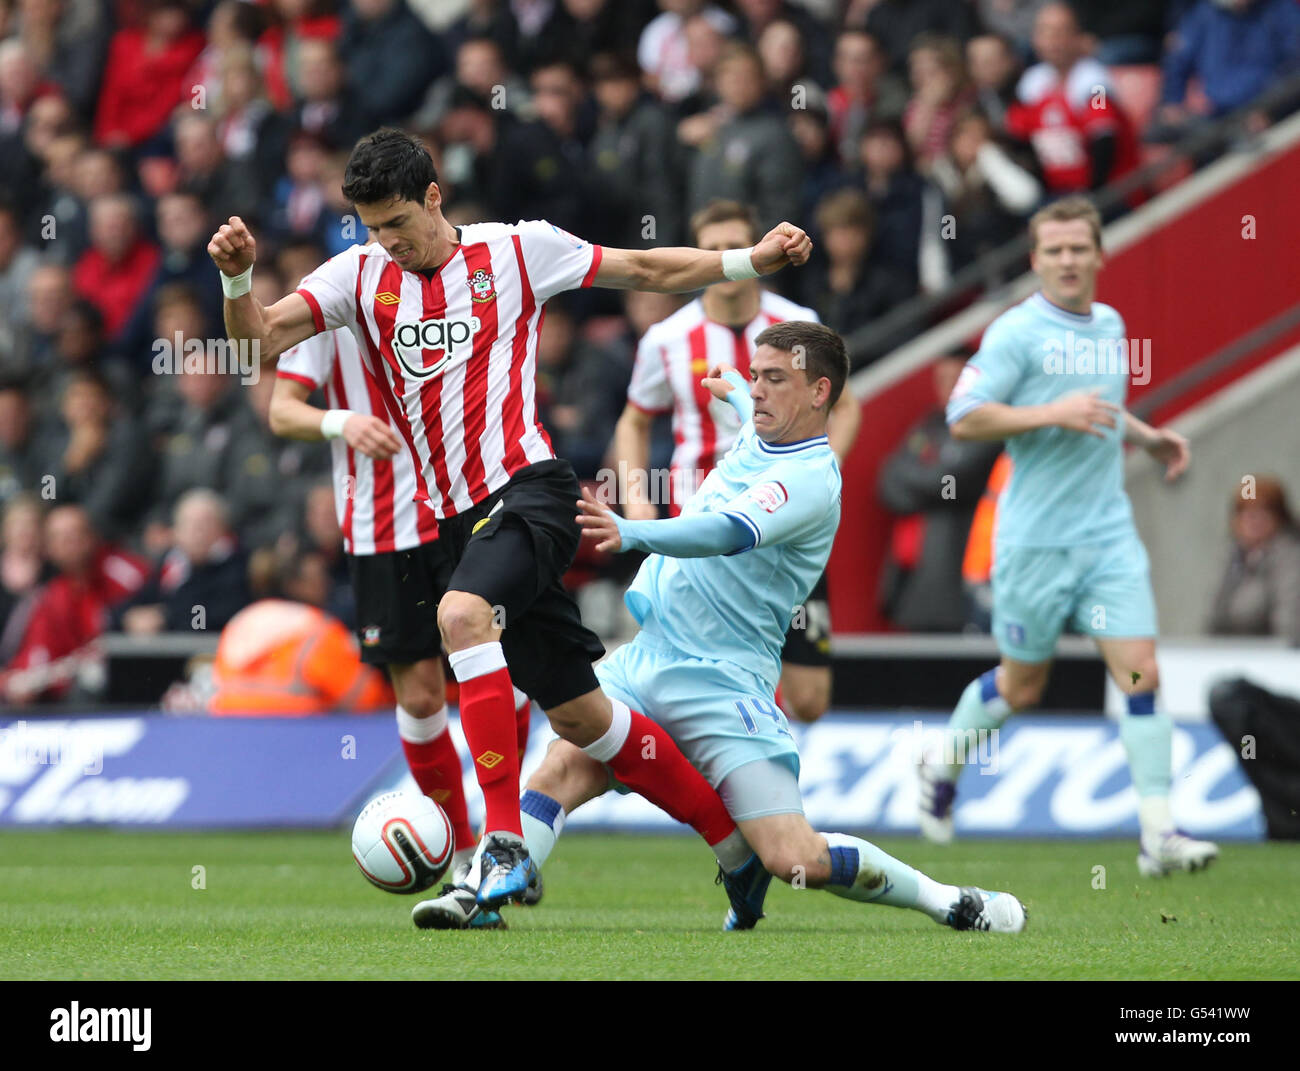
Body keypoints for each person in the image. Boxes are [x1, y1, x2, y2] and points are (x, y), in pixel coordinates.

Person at [207, 126, 814, 911]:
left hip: (530, 490)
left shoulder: (518, 250)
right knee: (585, 716)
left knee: (462, 616)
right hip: (457, 519)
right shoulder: (355, 277)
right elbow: (255, 348)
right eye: (372, 227)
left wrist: (748, 263)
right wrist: (236, 281)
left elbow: (645, 266)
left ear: (434, 196)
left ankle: (497, 849)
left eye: (398, 222)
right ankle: (734, 849)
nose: (387, 242)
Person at [417, 322, 1026, 934]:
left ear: (820, 393)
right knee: (560, 767)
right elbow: (748, 405)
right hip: (648, 658)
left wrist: (634, 532)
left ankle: (949, 900)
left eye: (775, 380)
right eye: (757, 377)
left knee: (795, 858)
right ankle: (482, 897)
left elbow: (727, 531)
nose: (759, 392)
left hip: (725, 683)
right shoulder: (763, 430)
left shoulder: (813, 478)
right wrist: (735, 389)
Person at [919, 196, 1219, 878]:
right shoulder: (1015, 333)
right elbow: (963, 417)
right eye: (1053, 250)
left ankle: (1158, 833)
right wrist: (1050, 411)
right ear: (1035, 260)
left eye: (1078, 248)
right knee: (1023, 685)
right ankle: (942, 764)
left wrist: (1147, 435)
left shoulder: (1110, 324)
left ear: (1099, 254)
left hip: (1107, 535)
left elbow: (1099, 408)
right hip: (1034, 542)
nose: (1066, 260)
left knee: (1142, 672)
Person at [271, 323, 536, 928]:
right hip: (382, 531)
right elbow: (283, 412)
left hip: (465, 508)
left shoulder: (448, 284)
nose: (386, 233)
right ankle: (468, 858)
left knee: (504, 666)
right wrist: (342, 422)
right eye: (374, 223)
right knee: (418, 696)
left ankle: (509, 835)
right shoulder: (330, 299)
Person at [614, 200, 859, 723]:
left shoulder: (797, 324)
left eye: (736, 245)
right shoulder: (667, 338)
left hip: (784, 526)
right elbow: (635, 420)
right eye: (715, 247)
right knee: (702, 678)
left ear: (756, 251)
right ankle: (738, 777)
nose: (727, 256)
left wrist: (812, 483)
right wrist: (636, 500)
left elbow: (847, 407)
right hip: (703, 525)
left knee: (811, 700)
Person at [1206, 476, 1300, 645]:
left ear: (1279, 517)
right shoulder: (1233, 557)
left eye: (1261, 512)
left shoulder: (1290, 558)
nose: (1252, 520)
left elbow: (1288, 625)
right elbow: (1213, 617)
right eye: (1244, 512)